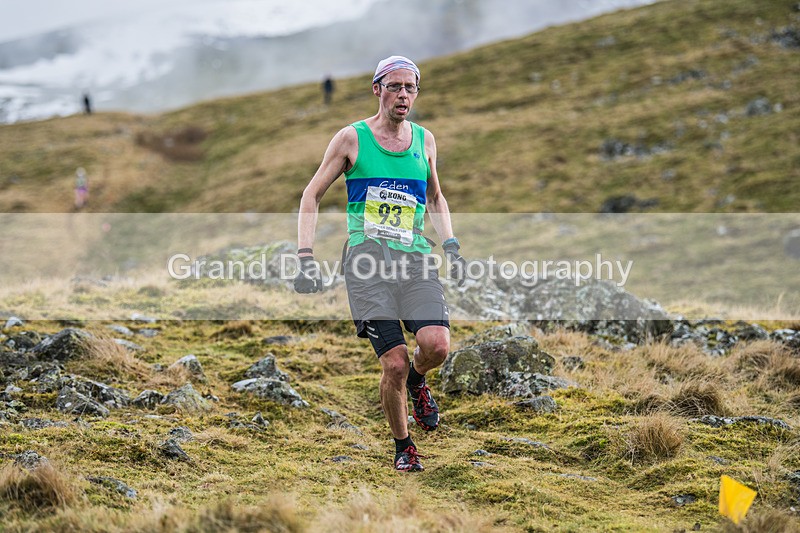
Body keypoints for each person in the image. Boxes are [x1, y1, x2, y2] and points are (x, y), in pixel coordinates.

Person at [294, 55, 466, 472]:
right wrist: (305, 257)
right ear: (378, 90)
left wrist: (451, 245)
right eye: (395, 86)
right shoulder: (351, 139)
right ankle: (403, 446)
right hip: (367, 264)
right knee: (394, 361)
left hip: (415, 261)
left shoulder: (425, 140)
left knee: (436, 346)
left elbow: (435, 196)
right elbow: (311, 194)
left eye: (411, 88)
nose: (403, 95)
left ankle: (419, 381)